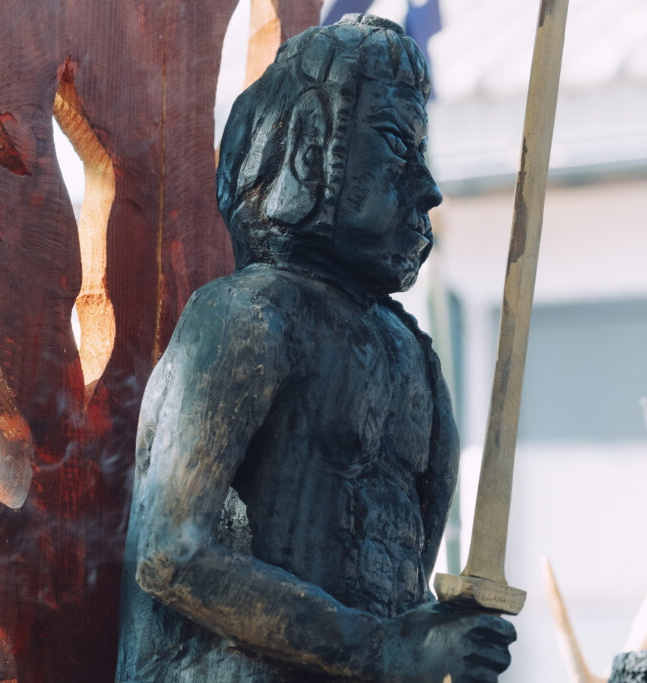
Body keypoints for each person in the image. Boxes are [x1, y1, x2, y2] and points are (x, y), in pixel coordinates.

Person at [116, 14, 516, 682]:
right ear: (308, 149)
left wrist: (440, 639)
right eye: (396, 146)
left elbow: (402, 595)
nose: (427, 186)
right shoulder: (247, 314)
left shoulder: (414, 357)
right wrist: (384, 648)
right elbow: (174, 551)